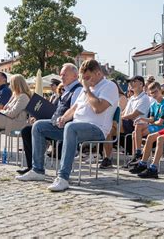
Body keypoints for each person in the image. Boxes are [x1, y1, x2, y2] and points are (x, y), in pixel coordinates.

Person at [17, 59, 118, 192]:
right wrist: (63, 118)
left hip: (96, 128)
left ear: (98, 73)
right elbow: (75, 108)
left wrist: (87, 89)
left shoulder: (109, 86)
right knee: (38, 126)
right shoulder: (87, 89)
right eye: (84, 78)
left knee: (71, 128)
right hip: (75, 127)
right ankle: (38, 170)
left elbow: (98, 108)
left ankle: (63, 177)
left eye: (88, 77)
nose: (86, 80)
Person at [16, 63, 82, 175]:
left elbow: (74, 111)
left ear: (75, 76)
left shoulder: (78, 90)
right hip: (57, 124)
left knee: (37, 127)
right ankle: (32, 167)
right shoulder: (67, 90)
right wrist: (40, 117)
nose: (61, 77)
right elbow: (58, 111)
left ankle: (38, 170)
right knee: (27, 130)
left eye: (65, 74)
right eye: (61, 74)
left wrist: (55, 120)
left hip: (66, 127)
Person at [126, 82, 164, 167]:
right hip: (155, 126)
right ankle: (137, 154)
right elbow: (151, 119)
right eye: (151, 93)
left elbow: (160, 122)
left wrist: (148, 124)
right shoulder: (153, 105)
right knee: (136, 128)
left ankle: (139, 156)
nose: (154, 94)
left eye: (155, 92)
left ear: (160, 90)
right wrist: (142, 119)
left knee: (137, 132)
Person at [100, 80, 128, 168]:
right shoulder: (108, 97)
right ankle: (106, 157)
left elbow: (119, 112)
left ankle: (108, 157)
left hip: (119, 122)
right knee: (105, 130)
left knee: (107, 132)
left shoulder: (121, 97)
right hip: (110, 122)